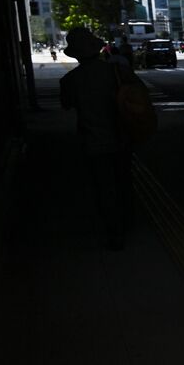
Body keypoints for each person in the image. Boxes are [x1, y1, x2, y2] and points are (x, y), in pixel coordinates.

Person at [59, 26, 134, 251]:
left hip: (92, 141)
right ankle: (126, 221)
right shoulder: (114, 72)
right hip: (120, 137)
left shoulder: (69, 80)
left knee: (103, 187)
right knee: (122, 181)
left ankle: (114, 231)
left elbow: (66, 105)